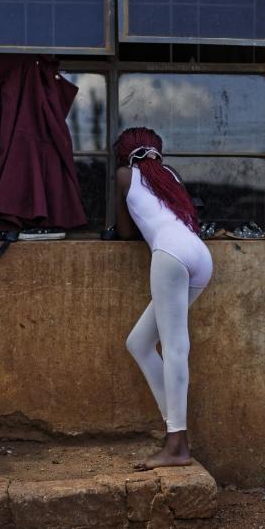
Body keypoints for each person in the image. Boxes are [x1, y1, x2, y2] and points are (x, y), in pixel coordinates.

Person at [113, 127, 213, 469]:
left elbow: (126, 231)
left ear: (123, 154)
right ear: (158, 152)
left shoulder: (125, 175)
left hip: (169, 254)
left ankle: (177, 445)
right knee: (139, 343)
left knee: (174, 348)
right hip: (199, 254)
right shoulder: (171, 175)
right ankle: (175, 429)